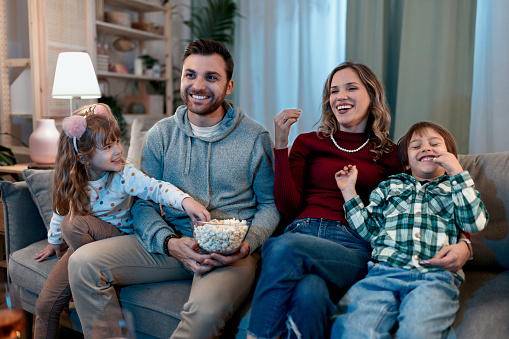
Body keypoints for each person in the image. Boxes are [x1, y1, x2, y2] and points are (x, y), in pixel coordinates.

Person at [67, 39, 280, 339]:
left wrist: (247, 245)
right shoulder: (161, 135)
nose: (198, 85)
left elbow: (271, 204)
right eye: (190, 74)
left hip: (227, 253)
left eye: (211, 77)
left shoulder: (255, 138)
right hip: (171, 244)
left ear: (229, 85)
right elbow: (143, 203)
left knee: (203, 315)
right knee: (82, 264)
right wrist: (169, 243)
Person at [246, 62, 472, 339]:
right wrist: (281, 144)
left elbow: (426, 198)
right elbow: (289, 208)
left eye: (351, 88)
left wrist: (465, 243)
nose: (340, 96)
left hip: (352, 247)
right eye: (334, 91)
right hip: (302, 233)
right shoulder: (308, 142)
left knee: (280, 247)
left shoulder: (392, 153)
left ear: (372, 96)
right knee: (309, 294)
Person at [33, 103, 210, 339]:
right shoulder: (74, 180)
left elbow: (158, 189)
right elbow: (60, 210)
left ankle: (90, 280)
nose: (118, 150)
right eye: (107, 146)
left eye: (117, 141)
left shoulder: (125, 174)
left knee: (73, 224)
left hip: (123, 240)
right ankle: (85, 279)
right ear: (83, 157)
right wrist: (54, 242)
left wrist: (186, 201)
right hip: (87, 245)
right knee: (45, 305)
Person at [332, 121, 488, 338]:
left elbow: (475, 222)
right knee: (351, 328)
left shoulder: (457, 188)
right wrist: (349, 191)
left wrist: (457, 172)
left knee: (418, 331)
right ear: (405, 162)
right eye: (416, 146)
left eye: (435, 144)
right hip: (383, 274)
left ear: (450, 157)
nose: (426, 148)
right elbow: (369, 231)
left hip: (434, 277)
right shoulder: (389, 187)